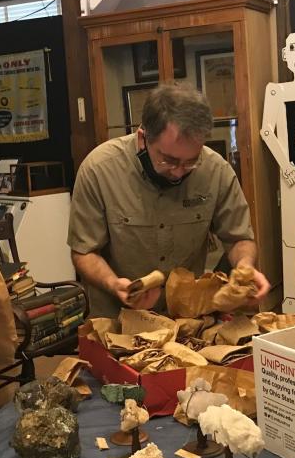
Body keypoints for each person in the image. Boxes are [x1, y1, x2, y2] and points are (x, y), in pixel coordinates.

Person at [68, 83, 270, 318]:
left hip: (187, 319)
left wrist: (244, 266)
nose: (179, 172)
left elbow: (238, 239)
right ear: (143, 138)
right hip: (118, 321)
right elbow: (84, 252)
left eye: (191, 161)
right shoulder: (99, 170)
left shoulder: (216, 170)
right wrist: (114, 284)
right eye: (169, 161)